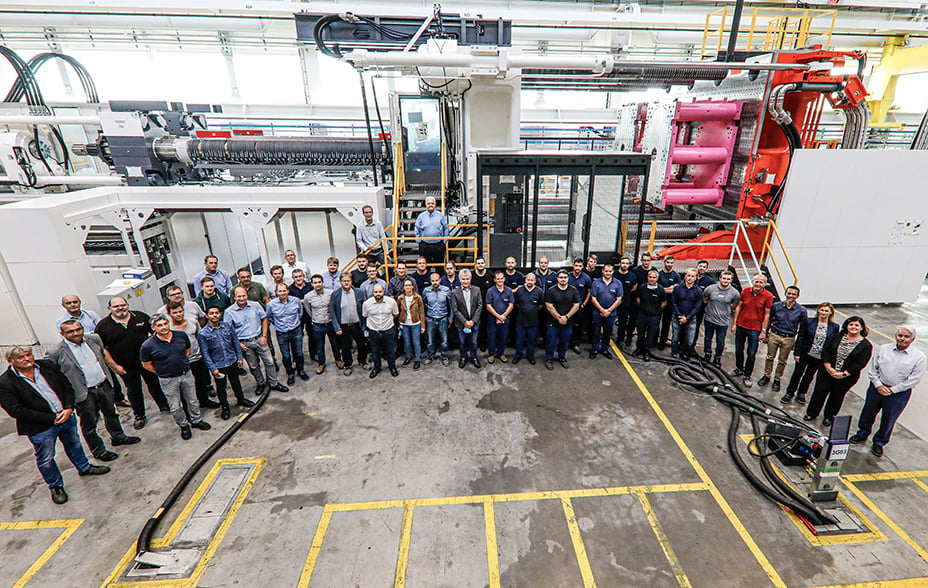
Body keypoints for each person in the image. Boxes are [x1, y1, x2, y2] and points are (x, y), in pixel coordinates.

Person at [0, 346, 111, 504]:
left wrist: (68, 407)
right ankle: (55, 486)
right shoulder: (5, 383)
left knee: (74, 444)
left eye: (28, 355)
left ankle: (84, 467)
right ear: (10, 362)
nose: (27, 359)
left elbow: (66, 386)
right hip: (41, 428)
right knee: (46, 458)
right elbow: (16, 410)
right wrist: (52, 418)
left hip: (66, 417)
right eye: (21, 358)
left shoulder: (47, 366)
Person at [49, 320, 140, 462]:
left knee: (112, 414)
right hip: (84, 393)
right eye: (70, 331)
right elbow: (53, 377)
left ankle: (118, 436)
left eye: (78, 329)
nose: (76, 333)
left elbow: (102, 356)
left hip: (103, 385)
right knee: (90, 424)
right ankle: (98, 450)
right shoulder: (56, 352)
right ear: (62, 334)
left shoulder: (94, 339)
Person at [850, 325, 927, 457]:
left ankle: (879, 443)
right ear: (896, 336)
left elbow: (913, 379)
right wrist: (878, 385)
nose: (902, 339)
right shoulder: (884, 349)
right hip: (876, 388)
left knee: (888, 419)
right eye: (900, 335)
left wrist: (893, 390)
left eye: (906, 337)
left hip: (898, 394)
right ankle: (862, 434)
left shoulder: (919, 357)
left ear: (913, 339)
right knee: (867, 413)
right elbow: (873, 369)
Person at [95, 297, 169, 430]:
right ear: (109, 309)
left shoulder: (140, 317)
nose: (120, 308)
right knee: (134, 390)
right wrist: (114, 366)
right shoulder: (103, 326)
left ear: (127, 305)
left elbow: (155, 334)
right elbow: (102, 350)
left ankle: (164, 405)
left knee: (155, 385)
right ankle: (139, 415)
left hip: (147, 362)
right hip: (126, 366)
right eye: (116, 306)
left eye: (123, 305)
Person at [140, 314, 212, 440]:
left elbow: (187, 350)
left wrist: (182, 362)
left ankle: (196, 420)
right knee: (175, 406)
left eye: (165, 324)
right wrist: (162, 371)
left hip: (186, 374)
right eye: (159, 325)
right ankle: (183, 425)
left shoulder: (180, 335)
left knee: (192, 400)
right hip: (168, 380)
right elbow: (146, 364)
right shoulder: (148, 346)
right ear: (153, 328)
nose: (163, 327)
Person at [803, 316, 873, 428]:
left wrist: (844, 373)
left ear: (862, 328)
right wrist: (828, 367)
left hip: (846, 377)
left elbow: (860, 363)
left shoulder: (866, 345)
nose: (853, 327)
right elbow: (825, 351)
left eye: (856, 325)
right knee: (819, 392)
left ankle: (829, 417)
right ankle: (812, 413)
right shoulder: (837, 336)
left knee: (837, 396)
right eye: (851, 324)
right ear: (846, 326)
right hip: (826, 371)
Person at [61, 294, 129, 408]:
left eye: (75, 302)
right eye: (69, 303)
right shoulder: (62, 321)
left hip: (96, 346)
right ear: (63, 305)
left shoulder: (90, 314)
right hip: (80, 348)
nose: (73, 305)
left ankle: (118, 398)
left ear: (80, 302)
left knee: (109, 373)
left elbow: (100, 329)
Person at [225, 286, 289, 395]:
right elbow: (228, 331)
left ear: (247, 295)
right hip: (245, 343)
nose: (242, 298)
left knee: (270, 362)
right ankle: (261, 383)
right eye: (239, 296)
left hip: (259, 339)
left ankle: (273, 383)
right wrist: (238, 344)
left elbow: (264, 318)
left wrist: (264, 335)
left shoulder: (255, 305)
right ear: (234, 297)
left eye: (244, 295)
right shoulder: (229, 312)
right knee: (254, 366)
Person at [197, 306, 255, 420]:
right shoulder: (203, 334)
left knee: (236, 382)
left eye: (217, 313)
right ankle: (225, 407)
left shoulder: (227, 326)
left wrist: (239, 357)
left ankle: (241, 399)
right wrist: (212, 368)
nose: (214, 315)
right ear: (207, 316)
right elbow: (205, 353)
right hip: (218, 365)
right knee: (221, 388)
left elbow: (235, 342)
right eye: (212, 313)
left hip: (232, 361)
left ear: (220, 314)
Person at [166, 301, 221, 410]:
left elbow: (200, 339)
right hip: (182, 363)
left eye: (180, 311)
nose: (178, 314)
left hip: (198, 358)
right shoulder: (168, 329)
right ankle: (189, 410)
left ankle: (204, 401)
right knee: (186, 388)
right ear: (169, 314)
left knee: (202, 382)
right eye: (175, 312)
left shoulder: (193, 322)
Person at [782, 302, 838, 405]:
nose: (823, 312)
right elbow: (801, 337)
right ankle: (790, 392)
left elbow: (832, 343)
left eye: (826, 311)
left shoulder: (834, 327)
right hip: (805, 353)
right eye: (822, 310)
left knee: (809, 375)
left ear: (830, 313)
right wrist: (797, 352)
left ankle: (802, 393)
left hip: (819, 357)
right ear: (818, 310)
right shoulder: (809, 322)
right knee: (797, 374)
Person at [758, 286, 807, 391]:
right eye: (789, 293)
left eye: (794, 294)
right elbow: (770, 319)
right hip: (774, 335)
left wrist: (796, 342)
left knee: (782, 361)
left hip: (788, 338)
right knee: (770, 357)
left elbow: (802, 327)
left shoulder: (801, 311)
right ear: (785, 294)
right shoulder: (776, 306)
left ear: (797, 296)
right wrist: (766, 333)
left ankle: (777, 379)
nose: (791, 296)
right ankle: (766, 375)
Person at [731, 274, 773, 388]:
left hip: (755, 329)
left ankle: (747, 375)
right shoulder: (745, 291)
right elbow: (739, 306)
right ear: (753, 282)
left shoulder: (768, 296)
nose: (758, 284)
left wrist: (764, 331)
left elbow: (767, 314)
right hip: (741, 325)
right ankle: (739, 368)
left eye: (761, 282)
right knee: (738, 349)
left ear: (765, 284)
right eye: (756, 282)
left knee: (751, 353)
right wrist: (734, 323)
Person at [265, 283, 309, 385]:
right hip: (282, 334)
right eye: (280, 291)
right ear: (276, 293)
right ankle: (290, 374)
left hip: (296, 331)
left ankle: (301, 370)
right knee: (286, 356)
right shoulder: (271, 305)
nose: (282, 293)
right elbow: (270, 317)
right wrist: (279, 325)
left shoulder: (296, 301)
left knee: (299, 353)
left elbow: (300, 313)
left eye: (284, 290)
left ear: (288, 291)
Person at [329, 272, 368, 376]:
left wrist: (364, 325)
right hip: (343, 326)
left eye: (348, 281)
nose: (346, 283)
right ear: (340, 282)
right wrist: (336, 327)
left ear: (351, 281)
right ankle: (348, 365)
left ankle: (362, 361)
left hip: (357, 324)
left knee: (361, 344)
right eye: (344, 281)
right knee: (345, 346)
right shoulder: (336, 294)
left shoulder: (358, 292)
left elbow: (364, 307)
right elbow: (331, 311)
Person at [700, 270, 740, 367]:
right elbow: (705, 300)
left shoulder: (734, 293)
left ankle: (717, 358)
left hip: (723, 322)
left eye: (728, 279)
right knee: (707, 338)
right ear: (720, 278)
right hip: (709, 319)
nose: (725, 281)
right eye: (724, 278)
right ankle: (707, 354)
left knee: (720, 341)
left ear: (731, 280)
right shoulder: (710, 289)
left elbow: (734, 305)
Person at [545, 270, 581, 370]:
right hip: (553, 323)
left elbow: (576, 305)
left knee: (564, 342)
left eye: (565, 277)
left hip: (567, 322)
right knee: (551, 342)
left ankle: (562, 358)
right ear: (557, 278)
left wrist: (566, 317)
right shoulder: (551, 291)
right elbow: (549, 306)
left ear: (568, 278)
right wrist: (559, 318)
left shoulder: (573, 290)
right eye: (561, 277)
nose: (563, 279)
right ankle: (549, 359)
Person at [362, 283, 399, 378]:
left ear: (384, 292)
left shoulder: (391, 302)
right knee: (375, 352)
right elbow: (365, 315)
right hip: (374, 332)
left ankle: (392, 367)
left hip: (388, 331)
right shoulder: (367, 303)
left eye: (380, 291)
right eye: (376, 292)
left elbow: (395, 314)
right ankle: (376, 368)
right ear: (372, 292)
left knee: (390, 351)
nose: (378, 294)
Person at [303, 274, 337, 374]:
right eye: (315, 283)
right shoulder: (308, 297)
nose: (317, 284)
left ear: (322, 283)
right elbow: (308, 310)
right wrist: (315, 318)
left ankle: (338, 360)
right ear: (312, 284)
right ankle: (321, 363)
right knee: (319, 346)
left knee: (335, 343)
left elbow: (334, 307)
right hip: (318, 325)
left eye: (319, 282)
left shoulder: (331, 293)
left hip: (330, 323)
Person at [590, 263, 623, 360]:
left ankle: (605, 349)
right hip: (597, 313)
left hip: (611, 314)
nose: (608, 273)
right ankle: (595, 349)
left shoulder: (618, 283)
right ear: (602, 271)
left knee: (608, 332)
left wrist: (609, 310)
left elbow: (619, 299)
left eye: (610, 271)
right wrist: (601, 310)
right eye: (606, 271)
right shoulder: (596, 283)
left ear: (613, 272)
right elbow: (593, 298)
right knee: (596, 331)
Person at [452, 269, 483, 368]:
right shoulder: (454, 292)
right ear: (460, 279)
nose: (465, 281)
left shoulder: (477, 289)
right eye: (463, 279)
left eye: (467, 279)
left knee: (474, 342)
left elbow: (480, 306)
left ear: (471, 279)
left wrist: (473, 321)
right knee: (462, 342)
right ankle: (463, 357)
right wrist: (465, 322)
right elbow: (455, 309)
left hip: (475, 322)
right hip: (461, 323)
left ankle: (474, 357)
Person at [634, 269, 666, 361]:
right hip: (642, 315)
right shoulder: (642, 287)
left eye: (654, 277)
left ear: (657, 279)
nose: (651, 279)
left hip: (653, 316)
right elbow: (638, 298)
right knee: (640, 333)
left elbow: (664, 302)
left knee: (650, 335)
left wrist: (657, 310)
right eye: (650, 277)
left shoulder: (660, 290)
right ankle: (639, 349)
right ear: (647, 278)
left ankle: (647, 352)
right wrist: (642, 308)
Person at [670, 269, 702, 360]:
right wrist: (679, 315)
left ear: (695, 278)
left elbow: (698, 306)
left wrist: (687, 318)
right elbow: (673, 302)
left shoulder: (698, 291)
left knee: (689, 340)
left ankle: (684, 353)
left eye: (692, 276)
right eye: (688, 275)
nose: (690, 278)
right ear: (685, 276)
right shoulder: (677, 288)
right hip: (677, 317)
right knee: (675, 337)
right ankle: (674, 354)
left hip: (691, 318)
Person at [423, 272, 453, 366]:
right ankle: (430, 356)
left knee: (444, 341)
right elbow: (423, 303)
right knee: (430, 341)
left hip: (443, 318)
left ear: (440, 280)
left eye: (436, 280)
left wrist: (451, 317)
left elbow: (451, 305)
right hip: (430, 319)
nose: (435, 282)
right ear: (430, 281)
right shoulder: (426, 291)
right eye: (433, 281)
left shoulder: (446, 290)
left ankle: (444, 356)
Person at [513, 272, 544, 365]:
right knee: (519, 339)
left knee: (531, 339)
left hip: (533, 321)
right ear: (525, 280)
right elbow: (516, 303)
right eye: (528, 279)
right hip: (521, 320)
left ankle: (530, 355)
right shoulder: (520, 290)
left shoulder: (539, 291)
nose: (530, 281)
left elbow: (541, 304)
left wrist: (532, 310)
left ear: (535, 281)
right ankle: (518, 355)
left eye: (532, 280)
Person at [485, 271, 515, 364]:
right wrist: (498, 316)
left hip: (505, 319)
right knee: (492, 337)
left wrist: (503, 316)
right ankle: (491, 354)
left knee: (503, 337)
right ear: (494, 280)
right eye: (498, 279)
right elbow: (488, 306)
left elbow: (511, 305)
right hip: (492, 320)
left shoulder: (509, 290)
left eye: (501, 278)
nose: (500, 280)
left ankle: (501, 353)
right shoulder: (490, 291)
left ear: (504, 279)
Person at [288, 268, 316, 363]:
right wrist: (300, 302)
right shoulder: (290, 289)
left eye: (300, 276)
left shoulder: (310, 287)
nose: (298, 278)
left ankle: (313, 354)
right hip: (297, 317)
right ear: (293, 278)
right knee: (297, 337)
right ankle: (297, 358)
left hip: (309, 314)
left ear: (304, 277)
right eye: (296, 277)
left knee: (312, 335)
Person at [397, 278, 425, 370]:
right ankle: (408, 356)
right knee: (407, 342)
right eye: (406, 285)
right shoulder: (400, 298)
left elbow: (422, 312)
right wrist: (398, 324)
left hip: (415, 323)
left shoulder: (418, 297)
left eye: (409, 285)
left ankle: (417, 359)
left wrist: (423, 325)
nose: (408, 287)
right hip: (404, 323)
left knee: (416, 342)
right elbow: (398, 311)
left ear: (413, 286)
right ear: (403, 287)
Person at [657, 256, 683, 349]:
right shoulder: (659, 274)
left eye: (671, 263)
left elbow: (675, 290)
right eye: (668, 262)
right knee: (656, 322)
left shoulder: (676, 276)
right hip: (659, 302)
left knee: (666, 323)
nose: (669, 264)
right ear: (664, 262)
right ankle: (653, 340)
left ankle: (662, 342)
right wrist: (669, 288)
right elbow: (658, 289)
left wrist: (664, 289)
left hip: (670, 303)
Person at [567, 258, 592, 354]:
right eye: (576, 265)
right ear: (573, 266)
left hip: (579, 308)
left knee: (577, 326)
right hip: (567, 307)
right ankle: (566, 343)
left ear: (582, 267)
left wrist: (584, 303)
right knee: (566, 324)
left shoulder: (586, 278)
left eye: (580, 266)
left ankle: (575, 344)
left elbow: (589, 292)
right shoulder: (567, 276)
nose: (578, 268)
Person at [415, 196, 449, 265]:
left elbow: (446, 228)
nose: (430, 205)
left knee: (439, 266)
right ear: (426, 205)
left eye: (432, 203)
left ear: (435, 204)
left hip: (438, 245)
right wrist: (419, 241)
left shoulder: (440, 215)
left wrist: (445, 240)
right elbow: (417, 228)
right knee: (425, 267)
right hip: (425, 245)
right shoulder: (421, 216)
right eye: (428, 203)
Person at [615, 256, 638, 348]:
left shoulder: (632, 276)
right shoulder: (615, 274)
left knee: (623, 322)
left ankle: (620, 339)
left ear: (629, 265)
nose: (624, 265)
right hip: (613, 302)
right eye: (623, 263)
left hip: (625, 303)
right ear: (620, 264)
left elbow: (634, 286)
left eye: (626, 263)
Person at [693, 259, 715, 341]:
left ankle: (691, 347)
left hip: (700, 309)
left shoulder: (709, 281)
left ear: (706, 269)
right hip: (688, 307)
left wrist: (706, 301)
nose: (702, 268)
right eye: (700, 266)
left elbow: (713, 294)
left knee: (695, 327)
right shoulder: (691, 277)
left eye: (704, 267)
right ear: (697, 267)